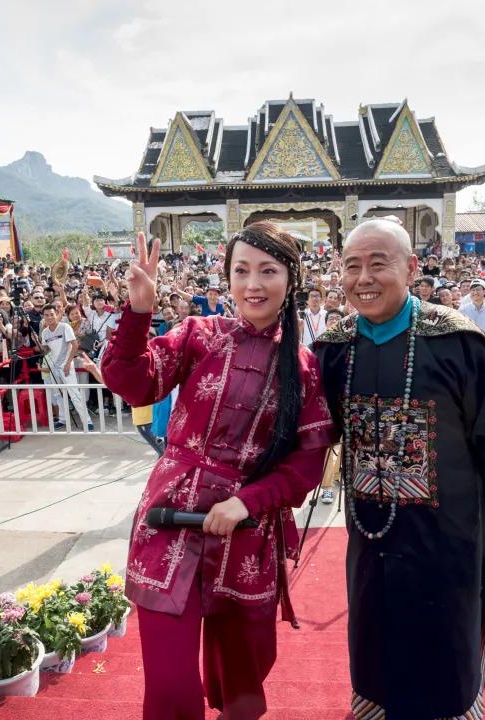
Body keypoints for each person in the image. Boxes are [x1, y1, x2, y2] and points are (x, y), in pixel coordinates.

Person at [312, 218, 485, 720]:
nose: (364, 278)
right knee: (374, 650)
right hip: (370, 540)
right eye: (352, 266)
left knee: (446, 656)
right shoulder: (332, 350)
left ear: (411, 267)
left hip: (448, 543)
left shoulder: (458, 343)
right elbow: (308, 433)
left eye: (378, 264)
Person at [101, 224, 335, 720]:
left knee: (242, 687)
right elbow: (133, 383)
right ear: (227, 279)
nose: (253, 283)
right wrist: (138, 310)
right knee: (170, 691)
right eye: (241, 270)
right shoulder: (198, 335)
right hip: (169, 524)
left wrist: (248, 501)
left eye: (267, 271)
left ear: (291, 280)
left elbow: (308, 459)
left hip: (246, 535)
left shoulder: (305, 368)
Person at [40, 305, 94, 431]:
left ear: (57, 314)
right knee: (58, 394)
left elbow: (74, 345)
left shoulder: (65, 327)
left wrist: (68, 363)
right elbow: (46, 349)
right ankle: (63, 419)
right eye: (46, 315)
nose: (49, 317)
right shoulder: (45, 332)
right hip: (53, 368)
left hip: (66, 366)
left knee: (74, 394)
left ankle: (87, 421)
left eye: (51, 314)